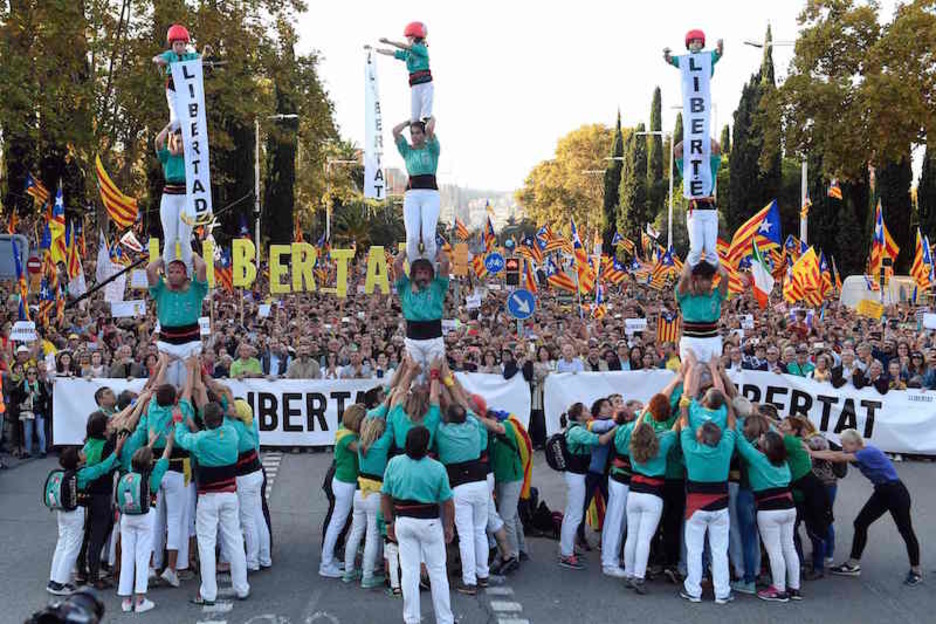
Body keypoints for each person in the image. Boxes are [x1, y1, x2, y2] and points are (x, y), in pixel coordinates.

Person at [809, 429, 922, 586]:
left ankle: (916, 571)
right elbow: (835, 452)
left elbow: (837, 457)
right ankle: (852, 565)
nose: (843, 448)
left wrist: (811, 453)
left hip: (896, 493)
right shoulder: (857, 452)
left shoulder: (868, 452)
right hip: (882, 492)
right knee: (860, 523)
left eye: (844, 445)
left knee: (905, 530)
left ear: (853, 443)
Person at [173, 399, 250, 605]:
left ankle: (208, 593)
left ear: (205, 421)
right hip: (230, 494)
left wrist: (179, 421)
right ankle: (242, 587)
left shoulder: (201, 439)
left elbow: (182, 439)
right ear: (221, 418)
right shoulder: (231, 433)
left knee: (206, 544)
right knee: (234, 540)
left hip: (208, 497)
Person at [381, 426, 455, 624]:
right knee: (437, 572)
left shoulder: (394, 463)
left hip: (403, 521)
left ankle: (411, 618)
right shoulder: (437, 468)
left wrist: (388, 522)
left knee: (409, 571)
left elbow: (385, 495)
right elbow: (448, 502)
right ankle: (445, 619)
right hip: (429, 522)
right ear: (426, 446)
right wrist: (449, 526)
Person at [436, 397, 504, 594]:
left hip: (459, 486)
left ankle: (469, 581)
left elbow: (435, 412)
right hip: (481, 483)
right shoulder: (475, 425)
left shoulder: (442, 431)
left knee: (465, 534)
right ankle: (482, 575)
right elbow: (470, 412)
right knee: (479, 531)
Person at [677, 379, 737, 605]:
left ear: (700, 436)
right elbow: (731, 424)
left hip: (695, 507)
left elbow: (684, 422)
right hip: (720, 506)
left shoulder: (691, 448)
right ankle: (722, 592)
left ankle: (694, 591)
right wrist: (729, 403)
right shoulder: (726, 446)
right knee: (720, 550)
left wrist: (684, 403)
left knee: (694, 550)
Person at [47, 436, 127, 596]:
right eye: (80, 454)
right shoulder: (83, 473)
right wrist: (117, 450)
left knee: (62, 544)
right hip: (76, 512)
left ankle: (54, 580)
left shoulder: (67, 474)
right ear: (78, 462)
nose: (84, 453)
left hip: (62, 511)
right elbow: (103, 467)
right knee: (72, 548)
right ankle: (60, 584)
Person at [735, 427, 801, 602]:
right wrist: (768, 432)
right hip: (789, 508)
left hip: (769, 509)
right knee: (789, 547)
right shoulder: (784, 463)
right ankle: (794, 587)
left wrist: (753, 437)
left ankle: (778, 589)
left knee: (774, 551)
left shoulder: (758, 459)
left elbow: (740, 442)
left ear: (765, 447)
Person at [115, 431, 174, 613]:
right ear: (150, 462)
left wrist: (149, 443)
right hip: (146, 515)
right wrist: (169, 442)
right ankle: (140, 600)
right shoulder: (152, 476)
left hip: (127, 517)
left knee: (127, 556)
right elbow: (164, 458)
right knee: (142, 557)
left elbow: (139, 459)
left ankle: (126, 600)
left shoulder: (130, 473)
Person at [623, 408, 677, 594]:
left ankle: (629, 574)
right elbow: (676, 428)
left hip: (633, 494)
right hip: (653, 495)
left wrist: (644, 411)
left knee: (632, 536)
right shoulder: (662, 445)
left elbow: (635, 431)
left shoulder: (632, 448)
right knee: (644, 539)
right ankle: (639, 576)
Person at [558, 403, 617, 570]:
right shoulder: (577, 431)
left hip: (576, 475)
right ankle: (566, 555)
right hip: (576, 476)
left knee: (572, 513)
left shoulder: (577, 428)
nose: (588, 411)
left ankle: (566, 548)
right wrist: (617, 427)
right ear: (578, 416)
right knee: (575, 515)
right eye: (585, 410)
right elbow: (601, 440)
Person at [147, 252, 208, 387]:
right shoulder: (161, 289)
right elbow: (150, 269)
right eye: (171, 272)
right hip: (167, 343)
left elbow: (202, 266)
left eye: (178, 272)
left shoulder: (196, 289)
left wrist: (191, 254)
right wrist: (165, 256)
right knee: (167, 387)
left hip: (190, 342)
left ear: (185, 274)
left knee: (190, 385)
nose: (173, 275)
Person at [320, 405, 365, 578]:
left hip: (343, 481)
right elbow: (363, 449)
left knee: (337, 523)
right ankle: (325, 564)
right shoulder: (347, 438)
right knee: (337, 524)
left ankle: (329, 559)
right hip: (345, 483)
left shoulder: (344, 429)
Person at [228, 398, 271, 572]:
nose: (229, 408)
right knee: (258, 516)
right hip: (257, 472)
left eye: (232, 406)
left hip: (244, 477)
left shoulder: (234, 428)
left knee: (247, 520)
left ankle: (252, 560)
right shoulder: (250, 424)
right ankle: (265, 556)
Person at [391, 119, 441, 263]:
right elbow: (395, 131)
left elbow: (430, 129)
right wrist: (408, 122)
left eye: (418, 133)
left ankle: (429, 268)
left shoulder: (432, 149)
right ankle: (414, 269)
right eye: (412, 133)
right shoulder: (406, 150)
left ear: (424, 135)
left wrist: (430, 117)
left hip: (430, 194)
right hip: (412, 195)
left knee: (428, 237)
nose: (414, 136)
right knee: (412, 237)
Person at [393, 249, 449, 374]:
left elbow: (445, 262)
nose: (423, 276)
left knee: (437, 375)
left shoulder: (438, 285)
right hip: (413, 340)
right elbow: (396, 264)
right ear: (413, 274)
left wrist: (434, 247)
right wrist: (408, 248)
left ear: (431, 274)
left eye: (426, 273)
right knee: (414, 376)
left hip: (434, 338)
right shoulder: (405, 286)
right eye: (419, 273)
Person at [152, 24, 210, 131]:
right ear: (172, 45)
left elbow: (200, 58)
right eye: (176, 44)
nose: (178, 47)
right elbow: (158, 58)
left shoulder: (189, 56)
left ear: (185, 45)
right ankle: (171, 132)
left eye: (181, 44)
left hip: (186, 89)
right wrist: (159, 60)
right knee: (176, 117)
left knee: (188, 116)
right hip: (173, 87)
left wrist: (205, 53)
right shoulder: (170, 55)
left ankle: (183, 134)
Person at [154, 122, 193, 272]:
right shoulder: (167, 156)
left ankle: (187, 274)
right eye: (178, 141)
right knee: (170, 240)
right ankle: (168, 274)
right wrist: (168, 128)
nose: (180, 144)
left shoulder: (191, 158)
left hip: (187, 198)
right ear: (173, 141)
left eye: (183, 141)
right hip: (169, 197)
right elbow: (158, 141)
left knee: (184, 240)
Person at [378, 22, 433, 123]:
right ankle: (417, 128)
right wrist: (376, 50)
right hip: (415, 85)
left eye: (410, 37)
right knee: (414, 118)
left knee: (426, 115)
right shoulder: (407, 53)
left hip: (426, 84)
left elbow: (404, 46)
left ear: (416, 37)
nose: (408, 40)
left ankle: (429, 123)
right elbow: (392, 53)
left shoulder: (421, 48)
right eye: (408, 38)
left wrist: (388, 42)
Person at [675, 259, 729, 363]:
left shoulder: (716, 294)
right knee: (690, 371)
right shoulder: (685, 295)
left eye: (711, 278)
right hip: (690, 340)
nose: (711, 282)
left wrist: (714, 258)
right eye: (707, 279)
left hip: (712, 339)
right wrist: (692, 257)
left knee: (712, 370)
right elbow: (685, 277)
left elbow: (725, 276)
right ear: (696, 279)